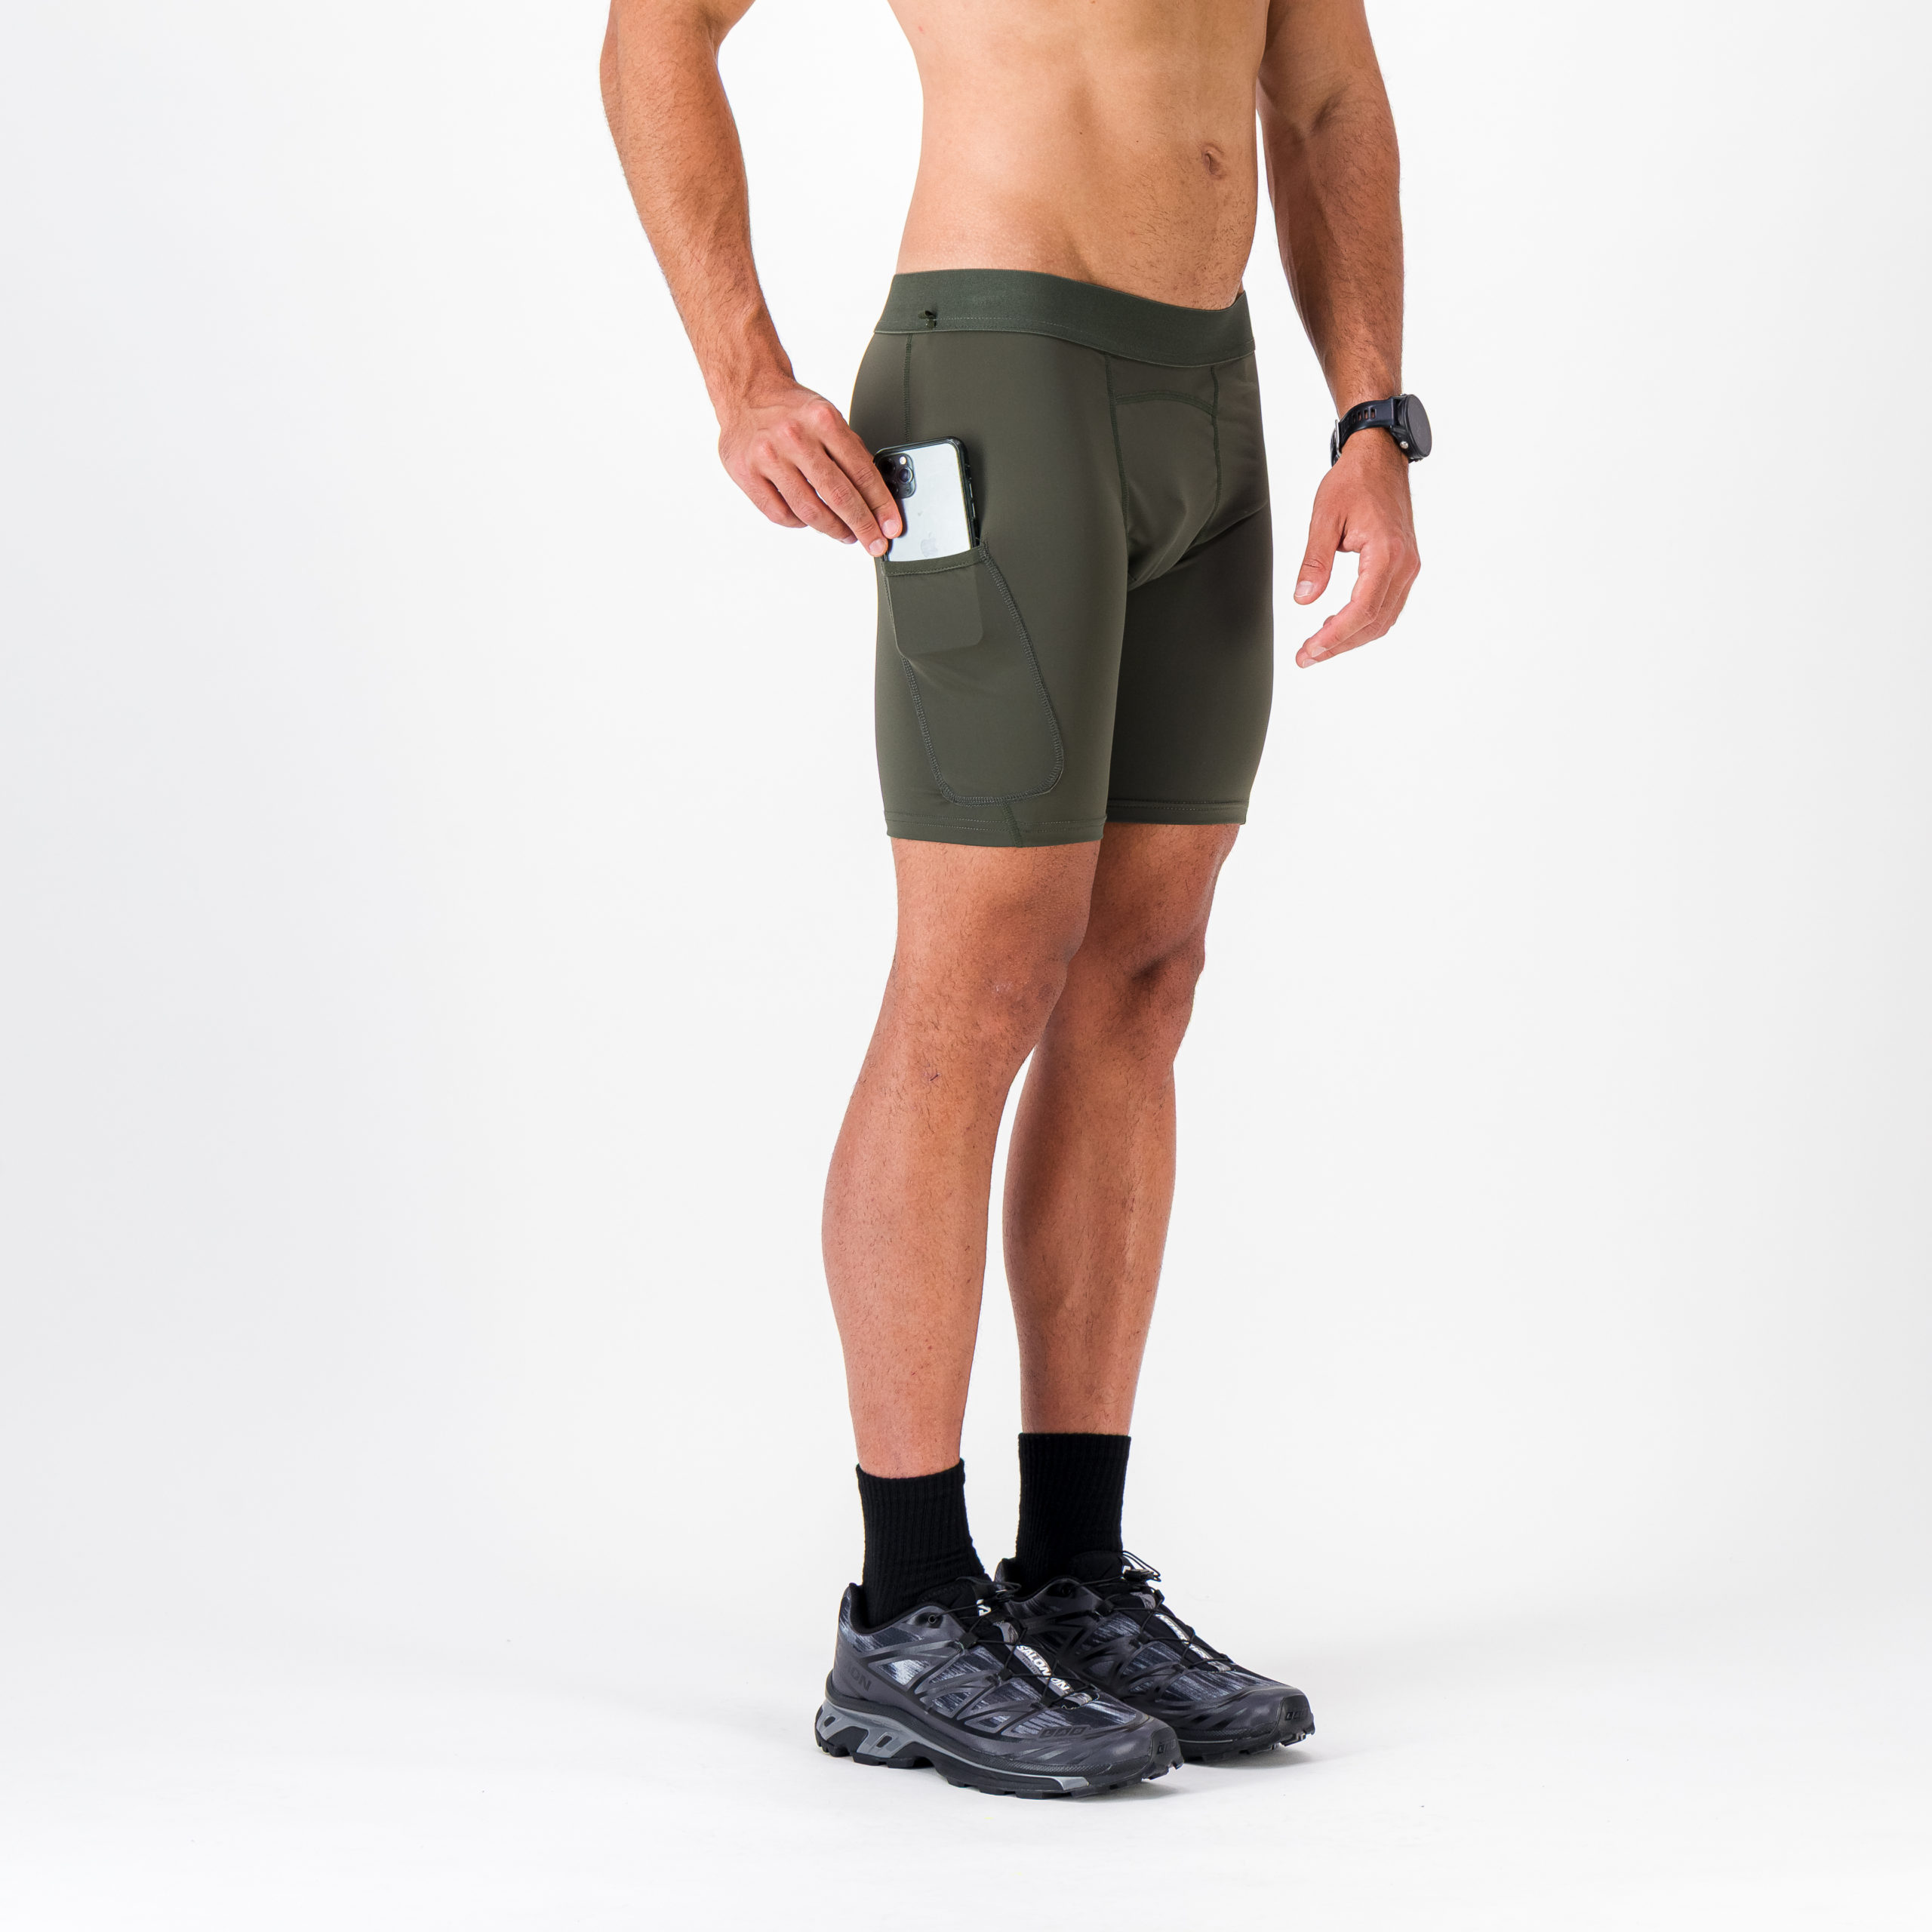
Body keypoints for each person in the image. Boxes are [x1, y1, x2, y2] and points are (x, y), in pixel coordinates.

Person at [601, 0, 1425, 1797]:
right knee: (978, 976)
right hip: (998, 373)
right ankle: (904, 1607)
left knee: (1143, 972)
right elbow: (654, 33)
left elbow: (1326, 95)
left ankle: (1070, 1573)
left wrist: (1371, 412)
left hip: (1209, 392)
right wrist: (743, 374)